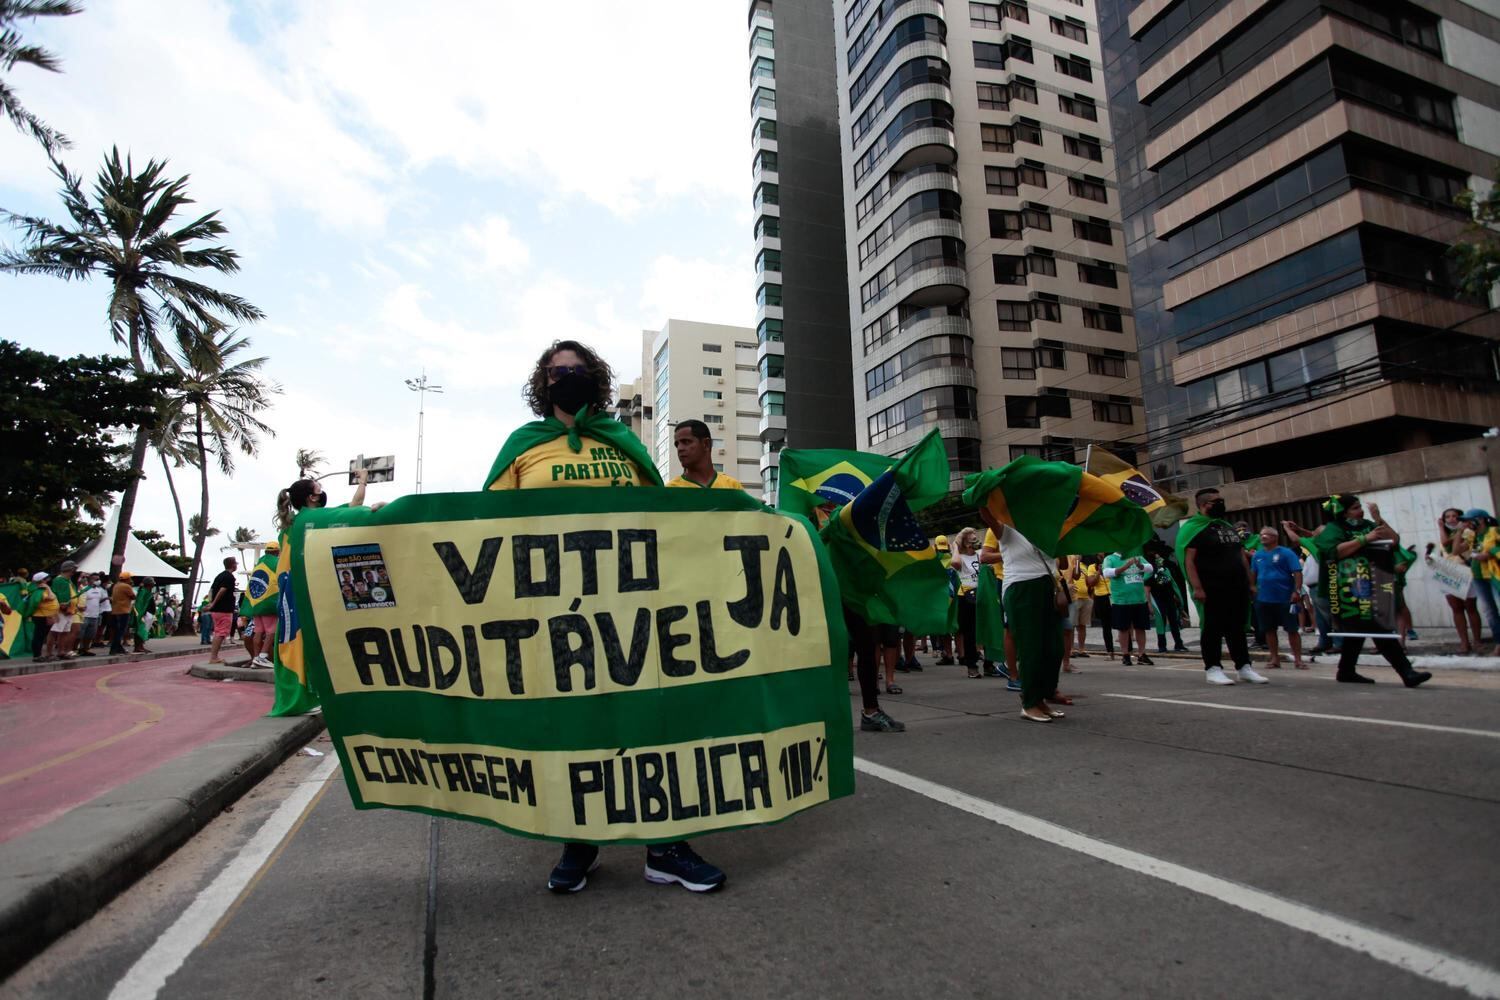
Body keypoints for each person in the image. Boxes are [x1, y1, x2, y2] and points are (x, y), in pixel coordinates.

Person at [486, 339, 726, 895]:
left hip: (631, 616)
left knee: (650, 726)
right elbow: (484, 526)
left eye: (576, 369)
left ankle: (665, 846)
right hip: (553, 618)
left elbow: (662, 521)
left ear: (593, 378)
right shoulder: (523, 448)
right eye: (555, 371)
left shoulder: (623, 444)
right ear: (542, 384)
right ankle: (579, 841)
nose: (565, 376)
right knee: (576, 730)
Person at [1310, 494, 1431, 687]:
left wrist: (1378, 519)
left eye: (1360, 507)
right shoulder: (1334, 529)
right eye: (1355, 508)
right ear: (1344, 512)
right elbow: (1333, 552)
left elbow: (1393, 541)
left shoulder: (1368, 524)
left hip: (1372, 585)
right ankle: (1406, 672)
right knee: (1377, 629)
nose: (1360, 510)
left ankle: (1346, 671)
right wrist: (1366, 540)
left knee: (1356, 633)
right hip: (1347, 590)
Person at [1178, 489, 1269, 686]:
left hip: (1236, 587)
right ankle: (1213, 669)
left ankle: (1244, 667)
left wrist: (1251, 583)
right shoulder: (1193, 528)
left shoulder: (1226, 527)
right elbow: (1189, 561)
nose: (1220, 503)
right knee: (1212, 629)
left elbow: (1241, 555)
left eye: (1221, 500)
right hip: (1211, 588)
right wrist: (1197, 588)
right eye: (1215, 501)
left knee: (1237, 628)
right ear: (1203, 505)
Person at [995, 524, 1065, 722]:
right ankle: (1030, 702)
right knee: (1031, 647)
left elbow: (1064, 561)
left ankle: (1042, 698)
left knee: (1054, 647)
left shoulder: (1048, 526)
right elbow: (984, 508)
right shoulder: (1006, 527)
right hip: (1021, 587)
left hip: (1048, 586)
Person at [1250, 526, 1305, 669]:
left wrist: (1296, 591)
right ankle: (1275, 658)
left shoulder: (1286, 553)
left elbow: (1297, 572)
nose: (1263, 537)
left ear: (1275, 537)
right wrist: (1252, 587)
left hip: (1284, 598)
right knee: (1269, 629)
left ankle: (1298, 659)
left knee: (1292, 629)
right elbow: (1253, 573)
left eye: (1266, 535)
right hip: (1264, 598)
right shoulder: (1258, 555)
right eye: (1261, 535)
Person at [1431, 508, 1481, 654]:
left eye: (1455, 516)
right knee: (1456, 609)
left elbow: (1449, 545)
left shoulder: (1468, 532)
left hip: (1465, 572)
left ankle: (1477, 641)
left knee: (1470, 608)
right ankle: (1464, 642)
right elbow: (1444, 549)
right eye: (1447, 517)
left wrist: (1441, 527)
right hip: (1448, 572)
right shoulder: (1445, 533)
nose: (1451, 519)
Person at [1102, 550, 1154, 666]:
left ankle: (1142, 654)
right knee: (1123, 629)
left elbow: (1150, 568)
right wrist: (1125, 566)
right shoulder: (1110, 558)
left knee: (1141, 628)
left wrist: (1140, 565)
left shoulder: (1137, 556)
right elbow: (1106, 573)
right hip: (1121, 600)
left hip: (1139, 599)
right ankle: (1125, 655)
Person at [666, 419, 745, 491]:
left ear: (706, 444)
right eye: (677, 444)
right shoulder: (671, 490)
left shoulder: (732, 487)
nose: (680, 448)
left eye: (686, 442)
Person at [1462, 509, 1499, 654]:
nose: (1467, 523)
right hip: (1478, 576)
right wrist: (1460, 532)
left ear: (1481, 519)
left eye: (1469, 520)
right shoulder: (1471, 535)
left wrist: (1490, 553)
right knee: (1490, 611)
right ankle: (1499, 643)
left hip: (1495, 575)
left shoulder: (1495, 531)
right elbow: (1455, 550)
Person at [951, 528, 983, 678]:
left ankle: (989, 664)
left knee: (985, 628)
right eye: (971, 538)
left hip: (983, 594)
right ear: (964, 541)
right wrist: (955, 548)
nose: (974, 539)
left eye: (975, 536)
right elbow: (955, 563)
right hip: (966, 595)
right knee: (970, 632)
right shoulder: (961, 557)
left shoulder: (981, 554)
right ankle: (972, 665)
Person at [206, 556, 238, 664]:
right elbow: (222, 590)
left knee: (218, 631)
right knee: (221, 633)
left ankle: (214, 656)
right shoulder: (229, 577)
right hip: (224, 609)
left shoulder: (219, 576)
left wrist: (211, 603)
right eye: (236, 564)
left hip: (217, 610)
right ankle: (214, 657)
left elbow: (211, 590)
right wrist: (214, 603)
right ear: (233, 565)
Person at [26, 571, 58, 661]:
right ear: (42, 580)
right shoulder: (39, 590)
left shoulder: (42, 589)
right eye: (47, 579)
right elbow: (51, 597)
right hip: (41, 616)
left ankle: (38, 654)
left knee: (41, 635)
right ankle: (37, 655)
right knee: (39, 635)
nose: (49, 580)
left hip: (45, 615)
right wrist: (48, 588)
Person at [1069, 556, 1096, 659]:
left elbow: (1089, 581)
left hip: (1086, 598)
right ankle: (1070, 649)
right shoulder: (1070, 564)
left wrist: (1091, 597)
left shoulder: (1084, 566)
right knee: (1071, 625)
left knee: (1082, 625)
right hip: (1074, 598)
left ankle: (1081, 649)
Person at [79, 573, 107, 656]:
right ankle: (78, 648)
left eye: (98, 579)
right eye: (95, 579)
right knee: (81, 634)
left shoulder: (99, 590)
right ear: (90, 580)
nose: (97, 581)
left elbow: (99, 600)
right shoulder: (84, 589)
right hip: (85, 615)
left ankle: (86, 649)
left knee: (90, 635)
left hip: (95, 615)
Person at [108, 572, 135, 655]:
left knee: (117, 630)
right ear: (127, 579)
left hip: (115, 610)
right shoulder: (126, 586)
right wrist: (131, 586)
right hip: (124, 610)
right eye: (130, 578)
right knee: (121, 631)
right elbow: (133, 596)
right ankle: (114, 649)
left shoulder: (116, 585)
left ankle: (119, 648)